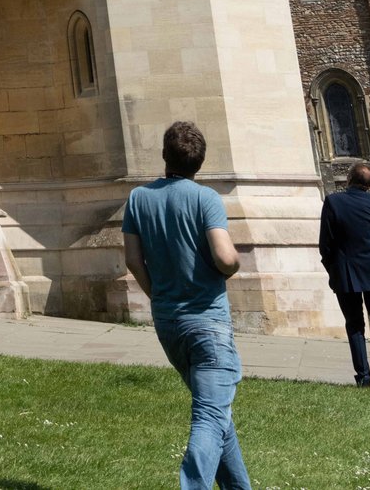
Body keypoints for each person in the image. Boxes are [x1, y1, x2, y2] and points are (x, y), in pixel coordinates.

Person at [122, 120, 252, 489]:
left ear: (164, 155)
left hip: (168, 323)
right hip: (208, 323)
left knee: (217, 416)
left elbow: (133, 260)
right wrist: (236, 263)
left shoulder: (139, 198)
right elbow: (225, 258)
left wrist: (157, 296)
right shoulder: (206, 198)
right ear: (201, 162)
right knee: (210, 416)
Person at [317, 162, 370, 389]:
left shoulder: (334, 201)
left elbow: (326, 242)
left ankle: (363, 376)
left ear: (348, 179)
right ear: (369, 184)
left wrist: (331, 267)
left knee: (354, 324)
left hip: (347, 271)